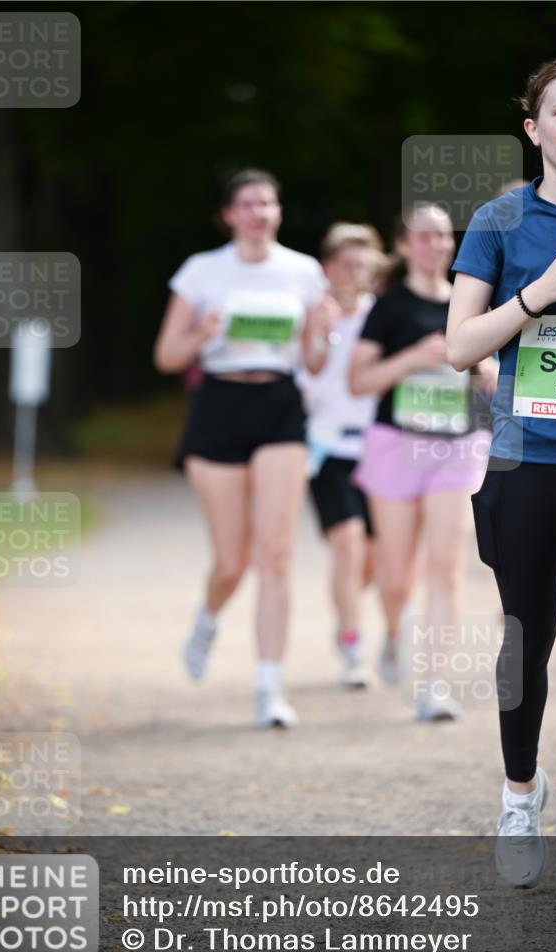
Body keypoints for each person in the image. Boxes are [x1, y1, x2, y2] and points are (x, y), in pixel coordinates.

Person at [446, 55, 556, 893]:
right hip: (527, 456)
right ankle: (518, 794)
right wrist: (535, 295)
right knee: (525, 641)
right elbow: (458, 345)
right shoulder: (500, 221)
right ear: (535, 129)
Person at [154, 169, 337, 728]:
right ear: (229, 214)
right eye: (248, 204)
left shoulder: (303, 272)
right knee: (232, 561)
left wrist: (322, 332)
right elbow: (167, 356)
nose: (259, 212)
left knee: (276, 553)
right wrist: (201, 335)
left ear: (278, 213)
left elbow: (314, 363)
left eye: (268, 203)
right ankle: (209, 617)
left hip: (280, 405)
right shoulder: (202, 272)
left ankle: (269, 687)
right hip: (219, 408)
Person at [349, 203, 495, 721]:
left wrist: (478, 362)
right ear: (405, 245)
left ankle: (433, 685)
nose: (434, 245)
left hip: (457, 446)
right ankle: (392, 633)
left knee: (446, 566)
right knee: (395, 575)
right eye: (423, 237)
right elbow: (358, 381)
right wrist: (413, 358)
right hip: (397, 444)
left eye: (441, 236)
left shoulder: (470, 301)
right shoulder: (388, 306)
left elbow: (495, 385)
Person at [297, 223, 389, 687]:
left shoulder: (384, 315)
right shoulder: (314, 313)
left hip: (379, 446)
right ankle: (353, 646)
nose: (357, 274)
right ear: (329, 268)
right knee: (348, 544)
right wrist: (322, 332)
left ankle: (345, 614)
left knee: (372, 560)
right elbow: (304, 373)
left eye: (365, 266)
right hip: (329, 445)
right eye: (348, 265)